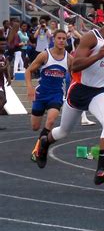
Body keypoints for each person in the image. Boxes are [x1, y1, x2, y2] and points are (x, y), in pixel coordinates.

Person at [36, 6, 104, 186]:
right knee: (63, 131)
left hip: (100, 91)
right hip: (79, 90)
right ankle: (45, 142)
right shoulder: (92, 38)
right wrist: (97, 56)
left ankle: (101, 170)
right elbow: (75, 66)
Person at [26, 30, 71, 162]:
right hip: (41, 94)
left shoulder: (69, 59)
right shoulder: (45, 55)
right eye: (59, 38)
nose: (61, 41)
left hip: (56, 95)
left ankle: (39, 150)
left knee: (50, 122)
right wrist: (30, 87)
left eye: (64, 38)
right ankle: (40, 146)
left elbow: (75, 76)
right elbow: (28, 71)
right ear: (54, 40)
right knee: (35, 127)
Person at [0, 44, 12, 118]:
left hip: (1, 81)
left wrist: (8, 77)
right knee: (3, 99)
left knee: (4, 100)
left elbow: (5, 69)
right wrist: (6, 65)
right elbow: (3, 68)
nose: (3, 45)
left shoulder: (3, 56)